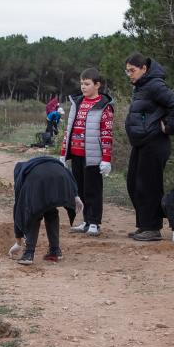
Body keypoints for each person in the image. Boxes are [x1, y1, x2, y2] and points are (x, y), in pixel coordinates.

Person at [123, 53, 174, 241]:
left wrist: (167, 127)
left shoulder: (155, 85)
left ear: (144, 69)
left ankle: (153, 228)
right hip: (142, 142)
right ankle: (144, 225)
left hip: (155, 143)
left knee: (149, 186)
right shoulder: (142, 86)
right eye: (127, 71)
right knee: (134, 183)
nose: (130, 75)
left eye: (132, 71)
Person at [61, 68, 114, 236]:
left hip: (93, 157)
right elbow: (68, 130)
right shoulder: (77, 103)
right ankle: (85, 221)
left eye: (87, 84)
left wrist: (106, 159)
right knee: (80, 190)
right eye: (81, 83)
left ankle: (94, 222)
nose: (83, 87)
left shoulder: (104, 106)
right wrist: (63, 153)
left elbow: (106, 134)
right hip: (76, 154)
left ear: (97, 85)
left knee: (93, 190)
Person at [11, 154, 78, 266]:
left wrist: (18, 242)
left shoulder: (23, 175)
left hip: (39, 183)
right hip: (61, 179)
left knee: (34, 214)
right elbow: (69, 175)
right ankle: (55, 251)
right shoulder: (53, 164)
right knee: (51, 211)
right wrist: (76, 195)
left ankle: (28, 254)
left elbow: (18, 210)